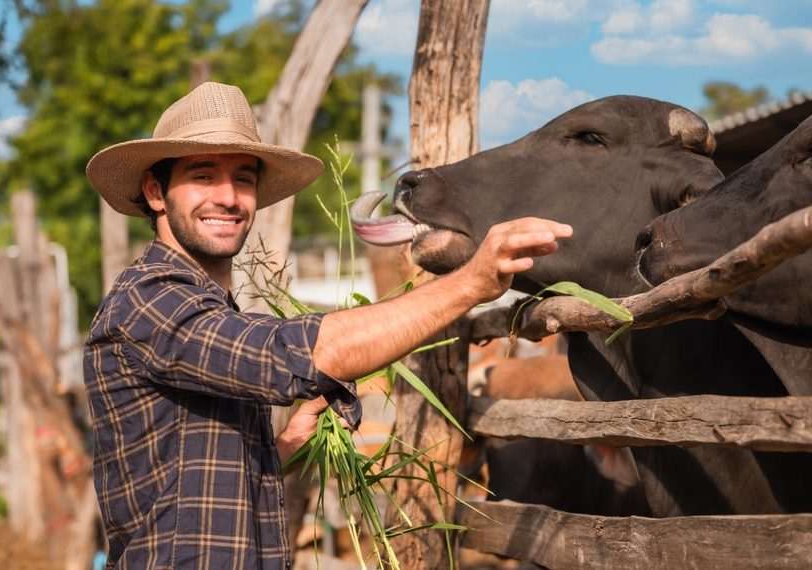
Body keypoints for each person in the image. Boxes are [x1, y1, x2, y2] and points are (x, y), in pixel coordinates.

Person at [83, 82, 572, 570]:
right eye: (203, 176)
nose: (228, 197)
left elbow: (191, 487)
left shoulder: (206, 313)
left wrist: (285, 446)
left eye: (244, 179)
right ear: (155, 191)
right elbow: (303, 352)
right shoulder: (149, 300)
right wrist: (471, 283)